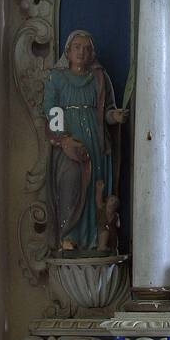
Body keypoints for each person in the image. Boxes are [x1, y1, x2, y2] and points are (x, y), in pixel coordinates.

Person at [44, 31, 126, 252]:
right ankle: (68, 236)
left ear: (92, 54)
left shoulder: (100, 77)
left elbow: (107, 111)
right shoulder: (56, 78)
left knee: (96, 192)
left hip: (97, 144)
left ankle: (97, 240)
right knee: (70, 183)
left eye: (87, 48)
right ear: (68, 52)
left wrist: (115, 116)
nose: (82, 52)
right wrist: (64, 141)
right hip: (69, 145)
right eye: (77, 47)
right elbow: (51, 111)